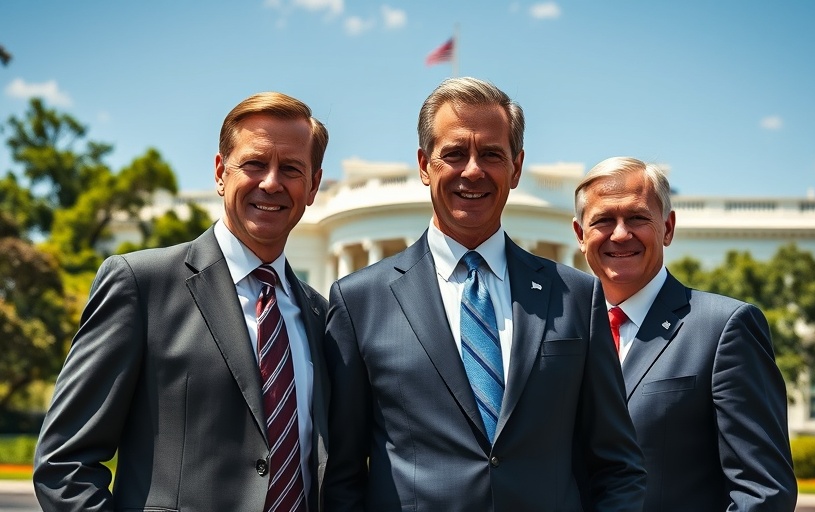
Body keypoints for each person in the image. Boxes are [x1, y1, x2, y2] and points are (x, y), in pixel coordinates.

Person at [323, 77, 646, 512]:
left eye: (491, 154)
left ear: (515, 167)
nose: (472, 170)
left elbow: (617, 466)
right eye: (454, 154)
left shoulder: (576, 295)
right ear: (424, 165)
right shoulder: (360, 301)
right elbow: (342, 476)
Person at [33, 92, 331, 511]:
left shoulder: (322, 317)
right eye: (254, 163)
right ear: (220, 172)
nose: (271, 182)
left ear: (313, 185)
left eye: (292, 169)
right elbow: (63, 463)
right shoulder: (141, 285)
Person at [572, 156, 798, 511]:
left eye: (637, 217)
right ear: (580, 236)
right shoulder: (560, 331)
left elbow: (764, 491)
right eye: (603, 220)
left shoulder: (725, 328)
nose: (619, 233)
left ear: (667, 227)